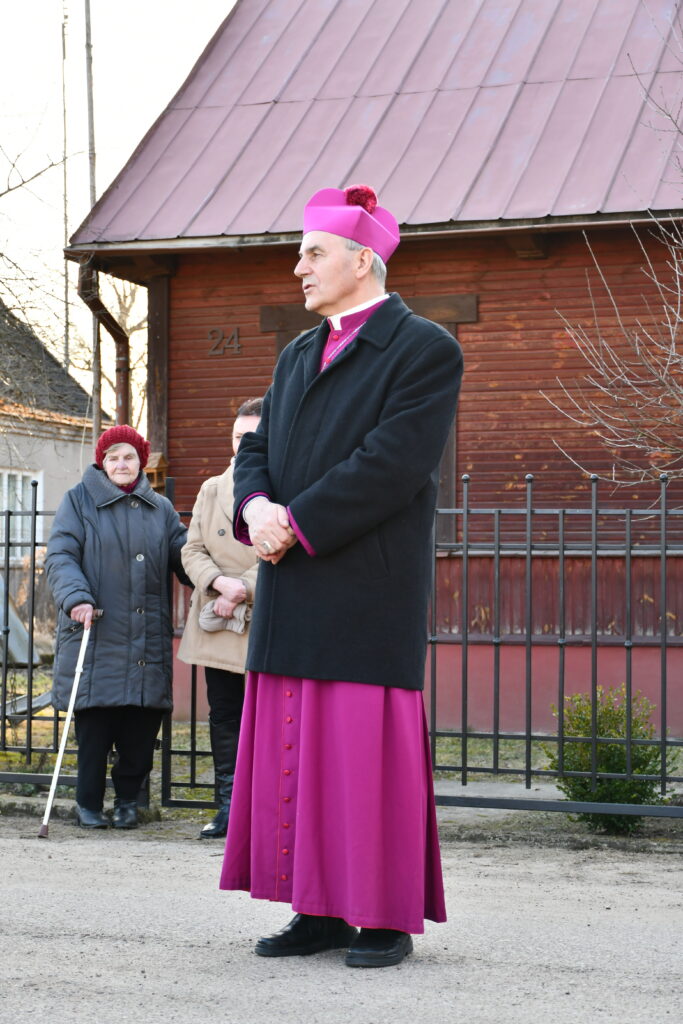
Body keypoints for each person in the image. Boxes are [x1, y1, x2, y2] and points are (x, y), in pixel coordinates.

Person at [219, 184, 464, 967]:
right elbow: (256, 450)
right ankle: (317, 909)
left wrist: (294, 522)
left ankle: (384, 918)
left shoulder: (424, 348)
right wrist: (256, 506)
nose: (298, 268)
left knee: (363, 764)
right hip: (293, 586)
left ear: (362, 261)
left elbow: (391, 464)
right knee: (297, 752)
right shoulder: (296, 352)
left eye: (312, 253)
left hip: (365, 590)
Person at [46, 424, 188, 830]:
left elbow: (184, 553)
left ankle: (128, 802)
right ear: (102, 462)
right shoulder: (78, 501)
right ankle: (87, 803)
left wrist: (212, 575)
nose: (121, 464)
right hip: (96, 632)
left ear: (140, 461)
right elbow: (60, 555)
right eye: (113, 458)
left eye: (129, 457)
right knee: (95, 728)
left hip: (147, 639)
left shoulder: (160, 508)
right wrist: (77, 597)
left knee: (140, 729)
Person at [178, 398, 263, 839]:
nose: (243, 444)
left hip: (265, 616)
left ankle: (266, 808)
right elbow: (191, 548)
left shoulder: (284, 487)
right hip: (218, 615)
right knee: (225, 714)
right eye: (237, 436)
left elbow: (290, 550)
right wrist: (218, 583)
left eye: (253, 436)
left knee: (271, 716)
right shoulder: (212, 488)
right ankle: (229, 805)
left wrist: (244, 587)